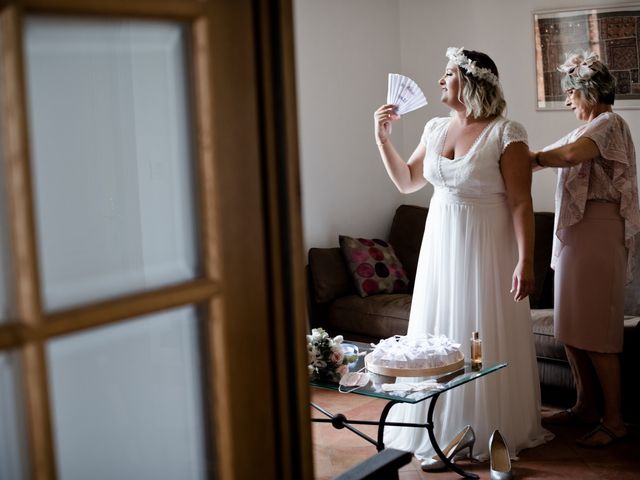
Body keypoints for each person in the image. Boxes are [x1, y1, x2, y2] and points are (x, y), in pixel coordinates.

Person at [374, 47, 551, 468]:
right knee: (440, 330)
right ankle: (436, 426)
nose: (440, 79)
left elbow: (521, 203)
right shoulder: (435, 128)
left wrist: (525, 263)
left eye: (448, 73)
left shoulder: (507, 133)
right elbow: (406, 182)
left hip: (488, 250)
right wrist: (382, 139)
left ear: (471, 83)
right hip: (441, 247)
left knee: (480, 331)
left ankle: (478, 428)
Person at [532, 51, 640, 447]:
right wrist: (509, 159)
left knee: (597, 330)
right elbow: (546, 155)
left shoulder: (609, 123)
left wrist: (533, 158)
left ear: (589, 93)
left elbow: (569, 155)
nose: (567, 101)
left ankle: (614, 421)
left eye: (571, 93)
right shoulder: (589, 126)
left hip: (598, 229)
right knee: (572, 326)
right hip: (578, 234)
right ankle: (584, 406)